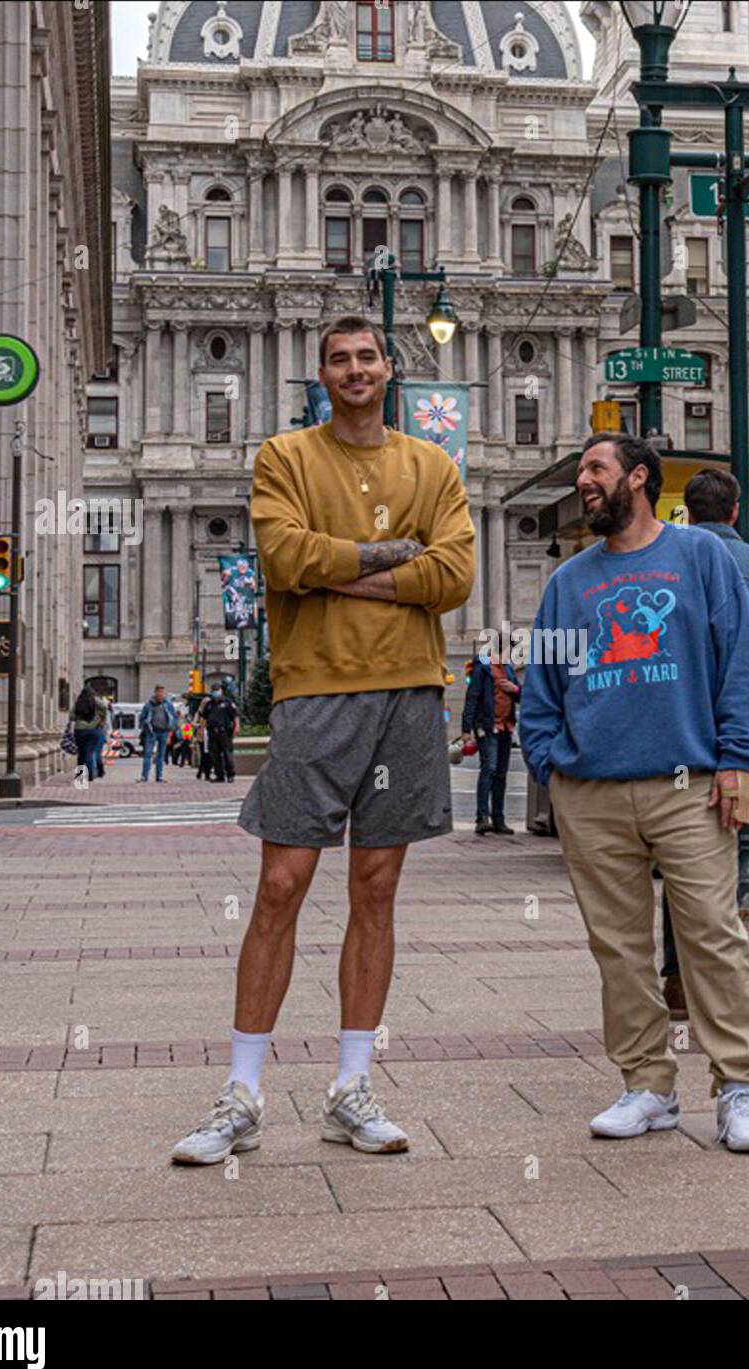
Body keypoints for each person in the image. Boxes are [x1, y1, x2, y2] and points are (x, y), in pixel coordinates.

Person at [171, 314, 474, 1164]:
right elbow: (283, 559)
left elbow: (453, 578)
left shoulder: (433, 463)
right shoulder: (285, 457)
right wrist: (392, 560)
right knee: (281, 882)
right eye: (339, 360)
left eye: (366, 357)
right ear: (322, 373)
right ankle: (242, 1092)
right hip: (315, 690)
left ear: (390, 370)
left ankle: (351, 1087)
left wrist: (350, 572)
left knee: (376, 886)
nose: (354, 371)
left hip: (410, 691)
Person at [519, 433, 749, 1153]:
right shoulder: (569, 583)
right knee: (620, 948)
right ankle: (648, 1086)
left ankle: (738, 1088)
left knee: (712, 938)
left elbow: (741, 666)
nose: (586, 482)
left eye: (597, 470)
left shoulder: (700, 558)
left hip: (688, 785)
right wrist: (550, 767)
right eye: (582, 473)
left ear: (639, 478)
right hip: (592, 791)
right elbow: (542, 685)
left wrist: (739, 760)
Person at [660, 469, 749, 1021]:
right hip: (744, 726)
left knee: (680, 851)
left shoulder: (674, 561)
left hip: (687, 726)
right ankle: (718, 980)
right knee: (725, 848)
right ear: (735, 511)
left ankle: (679, 976)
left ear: (688, 510)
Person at [462, 653, 520, 834]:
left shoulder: (509, 670)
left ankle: (498, 819)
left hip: (506, 727)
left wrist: (515, 689)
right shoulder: (483, 670)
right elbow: (472, 698)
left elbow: (521, 695)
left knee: (501, 774)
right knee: (489, 769)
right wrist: (466, 729)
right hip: (487, 727)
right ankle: (482, 818)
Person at [138, 685, 178, 784]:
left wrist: (171, 731)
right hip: (152, 732)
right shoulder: (149, 705)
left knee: (161, 755)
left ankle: (159, 776)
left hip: (164, 731)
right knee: (148, 753)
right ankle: (144, 776)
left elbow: (174, 717)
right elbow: (142, 718)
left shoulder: (168, 704)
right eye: (159, 692)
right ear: (155, 693)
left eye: (163, 693)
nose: (161, 695)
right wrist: (145, 728)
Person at [200, 684, 239, 783]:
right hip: (212, 732)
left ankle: (230, 774)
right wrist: (201, 730)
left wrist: (237, 727)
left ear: (221, 691)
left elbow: (235, 716)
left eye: (217, 690)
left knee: (227, 754)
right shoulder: (209, 704)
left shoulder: (227, 702)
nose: (215, 692)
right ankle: (219, 775)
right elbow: (204, 718)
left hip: (224, 732)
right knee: (214, 755)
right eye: (214, 690)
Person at [70, 686, 107, 782]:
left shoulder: (78, 703)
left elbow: (72, 716)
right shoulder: (96, 703)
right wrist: (100, 719)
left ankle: (80, 775)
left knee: (81, 753)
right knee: (89, 753)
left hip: (80, 730)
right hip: (93, 730)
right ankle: (90, 775)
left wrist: (79, 718)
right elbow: (104, 707)